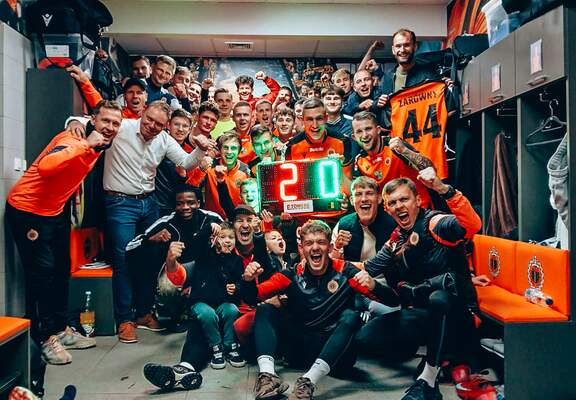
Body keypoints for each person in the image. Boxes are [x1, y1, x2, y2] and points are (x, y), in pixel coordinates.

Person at [66, 101, 217, 344]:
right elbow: (90, 121)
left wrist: (200, 148)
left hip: (149, 203)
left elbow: (187, 163)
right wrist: (73, 122)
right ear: (143, 114)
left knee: (151, 257)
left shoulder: (164, 139)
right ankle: (125, 319)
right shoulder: (122, 126)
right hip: (120, 202)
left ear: (165, 126)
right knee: (124, 258)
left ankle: (143, 313)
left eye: (158, 124)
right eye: (149, 120)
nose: (152, 126)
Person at [5, 100, 122, 364]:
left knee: (61, 270)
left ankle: (60, 329)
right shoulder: (73, 139)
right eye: (105, 121)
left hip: (54, 212)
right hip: (28, 210)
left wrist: (89, 139)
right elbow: (47, 166)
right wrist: (85, 143)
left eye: (115, 123)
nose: (110, 127)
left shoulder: (99, 142)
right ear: (93, 119)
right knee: (42, 275)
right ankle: (45, 338)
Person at [358, 171, 482, 400]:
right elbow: (369, 267)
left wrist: (442, 188)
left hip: (459, 315)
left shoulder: (434, 222)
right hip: (424, 315)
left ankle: (428, 380)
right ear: (387, 208)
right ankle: (441, 355)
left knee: (438, 297)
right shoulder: (397, 238)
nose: (398, 206)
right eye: (392, 203)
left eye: (404, 199)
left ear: (417, 200)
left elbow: (472, 224)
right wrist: (328, 264)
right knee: (366, 337)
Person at [243, 219, 400, 400]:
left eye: (321, 242)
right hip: (299, 352)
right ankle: (267, 377)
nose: (315, 248)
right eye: (309, 243)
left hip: (337, 356)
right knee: (265, 310)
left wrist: (374, 285)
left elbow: (393, 301)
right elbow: (254, 297)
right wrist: (248, 281)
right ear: (302, 248)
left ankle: (309, 381)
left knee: (352, 316)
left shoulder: (346, 271)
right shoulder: (292, 274)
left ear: (330, 247)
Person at [165, 221, 247, 369]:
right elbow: (195, 243)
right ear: (214, 239)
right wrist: (209, 228)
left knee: (232, 310)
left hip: (223, 302)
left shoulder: (237, 260)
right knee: (207, 314)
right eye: (223, 237)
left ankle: (230, 345)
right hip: (200, 302)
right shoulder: (205, 254)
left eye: (231, 237)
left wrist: (236, 288)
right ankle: (216, 347)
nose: (227, 241)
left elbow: (240, 282)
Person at [351, 111, 435, 208]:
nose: (364, 135)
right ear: (354, 137)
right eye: (359, 131)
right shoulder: (359, 160)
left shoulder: (395, 146)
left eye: (368, 129)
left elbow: (429, 168)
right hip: (390, 212)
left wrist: (405, 151)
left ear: (378, 130)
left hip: (419, 207)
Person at [285, 98, 352, 180]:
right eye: (310, 119)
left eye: (319, 119)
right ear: (302, 120)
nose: (315, 125)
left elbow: (348, 184)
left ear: (326, 118)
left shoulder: (343, 142)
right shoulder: (291, 146)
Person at [188, 132, 251, 219]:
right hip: (212, 219)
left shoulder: (245, 170)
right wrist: (201, 169)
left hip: (237, 219)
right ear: (220, 150)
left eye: (233, 148)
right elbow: (191, 187)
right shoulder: (209, 165)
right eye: (225, 148)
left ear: (239, 151)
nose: (229, 152)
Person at [68, 66, 147, 120]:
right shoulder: (117, 115)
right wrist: (85, 82)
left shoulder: (151, 114)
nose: (135, 96)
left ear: (146, 96)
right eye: (130, 92)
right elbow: (99, 103)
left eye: (139, 92)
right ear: (124, 97)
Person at [154, 109, 194, 216]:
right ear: (168, 125)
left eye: (185, 126)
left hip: (180, 207)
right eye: (176, 124)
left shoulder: (191, 153)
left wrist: (182, 176)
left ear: (189, 130)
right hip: (157, 205)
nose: (180, 129)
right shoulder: (157, 144)